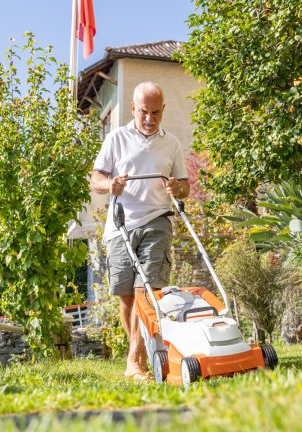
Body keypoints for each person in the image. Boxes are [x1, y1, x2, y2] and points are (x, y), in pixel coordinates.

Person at [90, 82, 189, 381]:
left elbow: (184, 185)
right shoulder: (116, 139)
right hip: (119, 225)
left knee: (146, 291)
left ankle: (135, 362)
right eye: (144, 111)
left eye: (156, 112)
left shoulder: (171, 143)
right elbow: (95, 178)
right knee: (126, 297)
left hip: (157, 219)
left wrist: (177, 186)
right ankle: (145, 350)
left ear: (163, 110)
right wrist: (110, 185)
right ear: (133, 109)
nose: (149, 118)